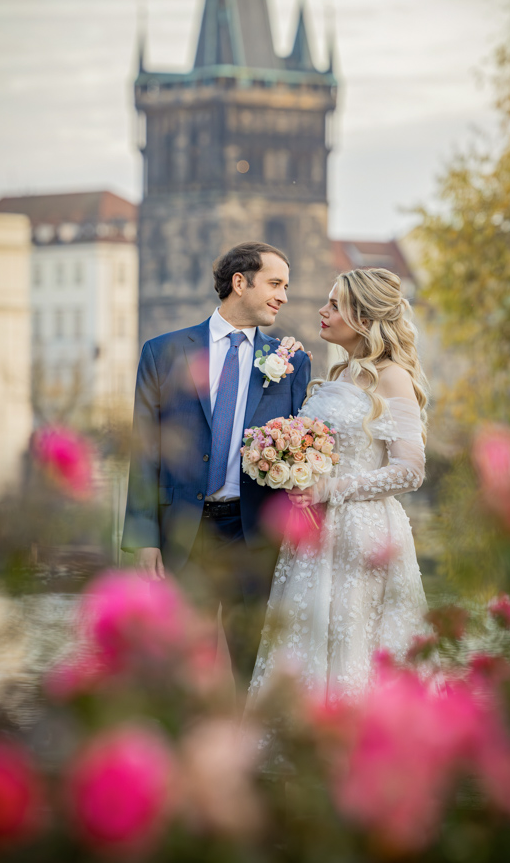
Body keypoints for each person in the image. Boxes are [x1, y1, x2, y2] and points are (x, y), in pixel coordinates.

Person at [121, 241, 312, 679]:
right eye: (275, 283)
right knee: (179, 666)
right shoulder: (162, 352)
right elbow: (145, 449)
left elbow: (300, 448)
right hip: (181, 534)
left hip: (254, 536)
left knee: (252, 664)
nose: (283, 296)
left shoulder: (290, 361)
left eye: (286, 286)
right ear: (239, 283)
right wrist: (144, 536)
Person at [249, 267, 431, 706]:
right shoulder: (339, 375)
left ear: (364, 320)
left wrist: (331, 489)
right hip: (313, 534)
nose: (322, 311)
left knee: (354, 640)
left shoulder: (392, 377)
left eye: (335, 305)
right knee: (306, 636)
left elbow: (410, 469)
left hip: (362, 530)